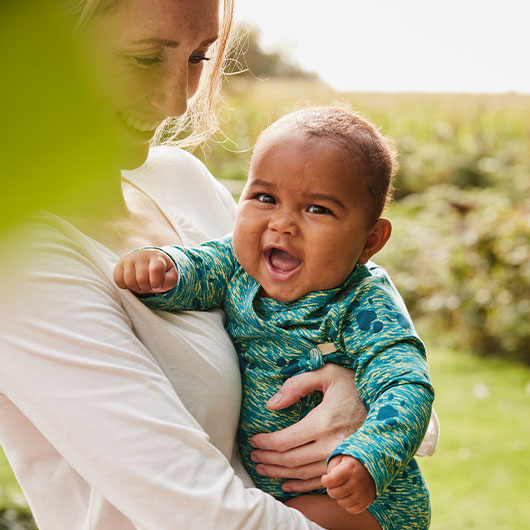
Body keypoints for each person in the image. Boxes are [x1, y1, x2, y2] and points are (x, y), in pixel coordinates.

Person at [0, 1, 387, 529]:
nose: (176, 101)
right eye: (143, 58)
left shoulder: (182, 179)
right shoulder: (19, 264)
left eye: (198, 58)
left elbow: (370, 322)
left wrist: (366, 399)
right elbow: (201, 514)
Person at [114, 106, 435, 530]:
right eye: (265, 198)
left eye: (317, 209)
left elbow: (406, 382)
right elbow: (197, 269)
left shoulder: (362, 303)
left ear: (370, 241)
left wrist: (371, 455)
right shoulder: (237, 265)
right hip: (278, 488)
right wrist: (161, 269)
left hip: (361, 502)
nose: (282, 223)